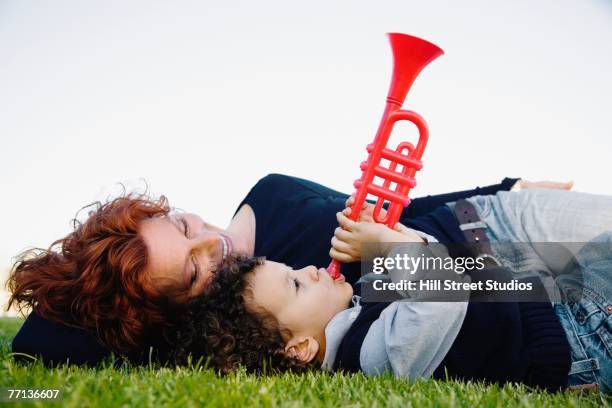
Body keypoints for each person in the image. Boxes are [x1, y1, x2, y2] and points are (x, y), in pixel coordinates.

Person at [7, 173, 566, 365]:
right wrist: (89, 288)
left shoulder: (271, 193)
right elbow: (38, 344)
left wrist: (505, 187)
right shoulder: (262, 312)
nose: (213, 243)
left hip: (495, 237)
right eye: (194, 273)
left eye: (182, 226)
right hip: (505, 295)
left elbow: (400, 211)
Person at [170, 188, 612, 392]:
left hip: (556, 304)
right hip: (583, 338)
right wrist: (386, 246)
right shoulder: (369, 359)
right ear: (300, 348)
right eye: (296, 283)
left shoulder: (356, 311)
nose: (310, 268)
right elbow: (441, 297)